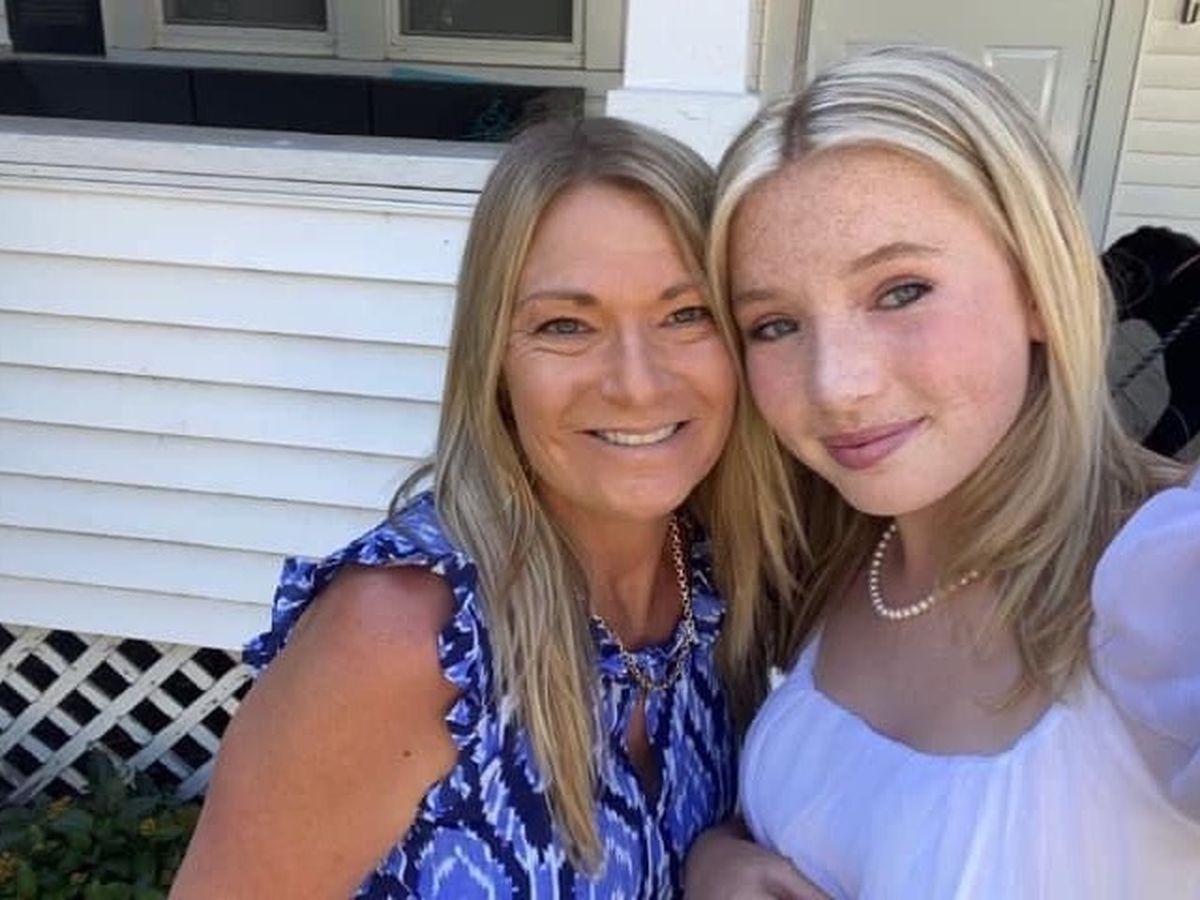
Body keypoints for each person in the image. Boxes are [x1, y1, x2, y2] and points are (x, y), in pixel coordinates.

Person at [169, 116, 766, 898]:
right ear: (495, 363)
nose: (637, 382)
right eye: (566, 325)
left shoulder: (718, 580)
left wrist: (719, 855)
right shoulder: (407, 635)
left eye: (686, 314)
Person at [686, 47, 1200, 899]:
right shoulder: (843, 551)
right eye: (775, 325)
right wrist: (722, 856)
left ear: (1038, 287)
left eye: (900, 291)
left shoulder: (1164, 570)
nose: (837, 386)